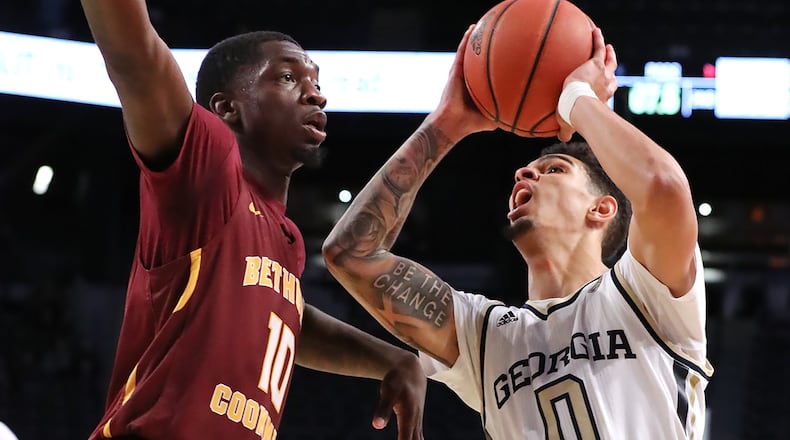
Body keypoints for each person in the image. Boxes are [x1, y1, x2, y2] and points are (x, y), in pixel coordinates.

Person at [322, 23, 713, 439]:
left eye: (555, 170)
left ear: (602, 209)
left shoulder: (643, 292)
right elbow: (350, 253)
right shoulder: (486, 336)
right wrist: (446, 123)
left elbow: (664, 187)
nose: (524, 171)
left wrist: (577, 98)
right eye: (529, 169)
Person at [79, 1, 426, 439]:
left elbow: (282, 310)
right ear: (226, 108)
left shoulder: (286, 238)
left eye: (315, 80)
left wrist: (393, 358)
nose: (316, 93)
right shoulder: (208, 170)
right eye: (287, 77)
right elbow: (135, 56)